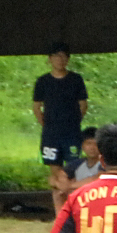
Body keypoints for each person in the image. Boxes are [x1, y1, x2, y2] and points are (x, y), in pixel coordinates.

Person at [33, 42, 89, 212]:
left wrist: (73, 122)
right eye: (56, 56)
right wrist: (47, 125)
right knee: (55, 170)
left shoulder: (76, 79)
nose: (60, 59)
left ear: (68, 59)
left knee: (73, 169)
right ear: (50, 59)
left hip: (72, 132)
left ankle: (74, 208)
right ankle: (60, 210)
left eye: (63, 56)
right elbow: (37, 107)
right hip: (51, 134)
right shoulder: (43, 81)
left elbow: (83, 105)